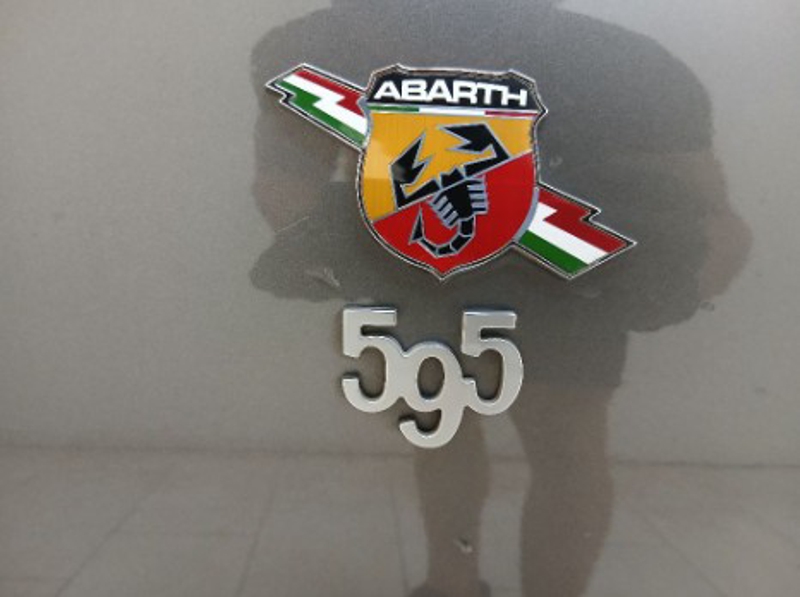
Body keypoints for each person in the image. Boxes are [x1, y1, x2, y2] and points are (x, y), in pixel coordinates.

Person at [250, 1, 750, 595]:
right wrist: (346, 274)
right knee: (467, 434)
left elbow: (713, 217)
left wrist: (682, 276)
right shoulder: (331, 43)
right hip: (434, 260)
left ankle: (460, 584)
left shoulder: (622, 64)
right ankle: (449, 583)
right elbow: (286, 182)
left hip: (550, 270)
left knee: (554, 441)